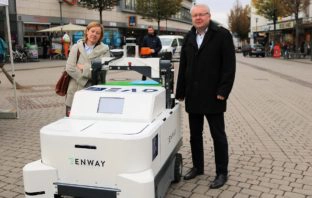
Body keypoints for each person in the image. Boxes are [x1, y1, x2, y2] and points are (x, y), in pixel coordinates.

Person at [175, 4, 236, 189]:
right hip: (193, 95)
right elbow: (184, 66)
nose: (198, 18)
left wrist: (223, 92)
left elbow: (229, 66)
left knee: (218, 135)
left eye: (202, 14)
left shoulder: (222, 35)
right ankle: (198, 167)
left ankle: (221, 172)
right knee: (195, 135)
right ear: (192, 18)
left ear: (209, 16)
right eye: (195, 15)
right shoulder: (189, 36)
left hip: (213, 95)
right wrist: (180, 92)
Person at [65, 21, 110, 116]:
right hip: (75, 91)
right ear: (87, 31)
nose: (94, 34)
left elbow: (102, 72)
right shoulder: (76, 47)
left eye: (98, 33)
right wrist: (87, 76)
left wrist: (83, 68)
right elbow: (70, 68)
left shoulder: (105, 50)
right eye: (92, 31)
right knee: (72, 122)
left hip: (95, 90)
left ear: (100, 36)